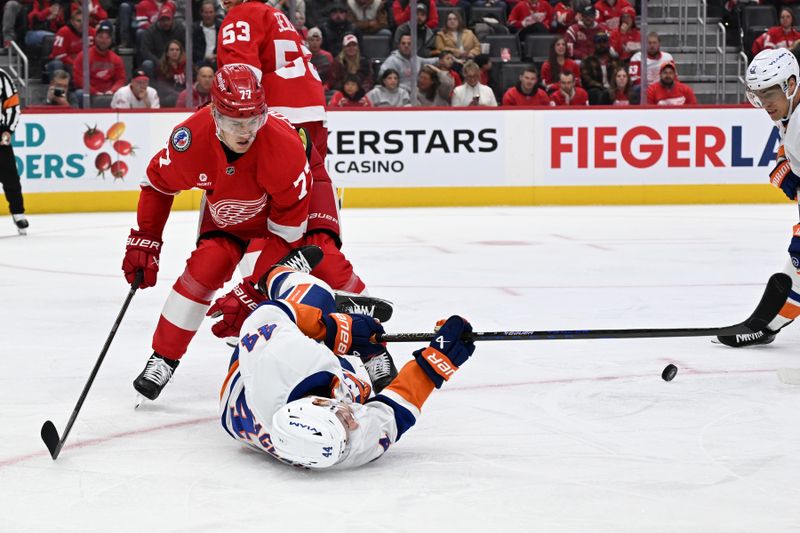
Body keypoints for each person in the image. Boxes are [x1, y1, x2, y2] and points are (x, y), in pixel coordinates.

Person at [123, 65, 314, 401]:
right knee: (202, 273)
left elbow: (288, 237)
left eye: (252, 121)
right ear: (214, 115)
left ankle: (349, 344)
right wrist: (146, 238)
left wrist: (253, 288)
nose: (245, 132)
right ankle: (163, 358)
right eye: (232, 122)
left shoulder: (285, 150)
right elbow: (156, 184)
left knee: (290, 286)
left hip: (273, 230)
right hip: (223, 223)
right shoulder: (190, 141)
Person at [219, 252, 476, 469]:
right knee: (357, 393)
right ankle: (364, 352)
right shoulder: (340, 446)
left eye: (343, 420)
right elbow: (393, 414)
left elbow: (268, 314)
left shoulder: (283, 361)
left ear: (318, 401)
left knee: (317, 293)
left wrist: (333, 328)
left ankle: (278, 273)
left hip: (245, 379)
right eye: (345, 430)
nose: (352, 424)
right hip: (277, 406)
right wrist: (436, 363)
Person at [218, 0, 373, 299]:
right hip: (313, 118)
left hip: (278, 122)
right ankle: (354, 297)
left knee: (252, 217)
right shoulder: (277, 16)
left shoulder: (241, 16)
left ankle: (259, 302)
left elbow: (242, 80)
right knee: (308, 222)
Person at [719, 47, 800, 347]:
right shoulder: (790, 109)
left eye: (769, 94)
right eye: (759, 95)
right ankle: (767, 326)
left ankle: (767, 327)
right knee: (796, 271)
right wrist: (786, 166)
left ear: (790, 85)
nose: (765, 103)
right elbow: (787, 144)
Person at [73, 21, 126, 105]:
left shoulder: (116, 59)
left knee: (123, 94)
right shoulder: (84, 55)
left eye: (107, 37)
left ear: (111, 40)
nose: (103, 40)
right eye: (101, 37)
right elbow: (78, 78)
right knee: (79, 94)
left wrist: (112, 90)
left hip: (109, 93)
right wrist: (94, 91)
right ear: (95, 38)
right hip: (90, 92)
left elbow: (120, 79)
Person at [0, 68, 25, 234]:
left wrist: (8, 130)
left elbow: (12, 104)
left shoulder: (2, 77)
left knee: (10, 176)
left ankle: (18, 213)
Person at [46, 8, 94, 81]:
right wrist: (77, 63)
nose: (82, 24)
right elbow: (58, 55)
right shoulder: (63, 32)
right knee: (57, 64)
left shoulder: (93, 32)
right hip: (65, 63)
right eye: (78, 21)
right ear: (72, 21)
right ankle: (57, 91)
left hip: (84, 65)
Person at [154, 39, 187, 107]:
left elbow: (192, 83)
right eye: (172, 50)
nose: (174, 52)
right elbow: (163, 87)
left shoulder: (188, 66)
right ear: (167, 53)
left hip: (186, 95)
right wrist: (179, 94)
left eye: (177, 50)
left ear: (181, 52)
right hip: (169, 96)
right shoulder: (161, 67)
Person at [192, 0, 220, 67]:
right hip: (199, 63)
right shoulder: (194, 29)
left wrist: (216, 56)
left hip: (217, 62)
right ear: (201, 13)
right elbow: (192, 51)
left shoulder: (220, 28)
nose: (208, 15)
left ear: (215, 13)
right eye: (206, 12)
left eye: (211, 12)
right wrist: (205, 58)